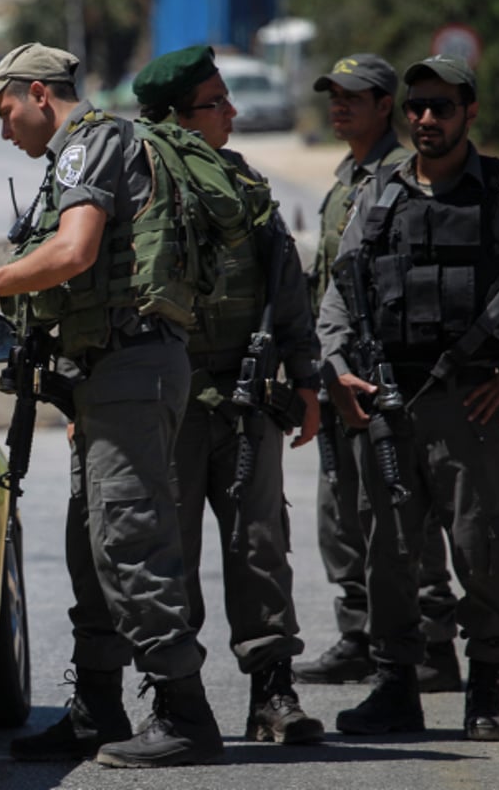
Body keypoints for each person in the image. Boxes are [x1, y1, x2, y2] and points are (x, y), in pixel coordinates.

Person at [0, 42, 224, 769]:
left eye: (4, 110)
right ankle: (98, 705)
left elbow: (73, 253)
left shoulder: (91, 145)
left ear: (39, 93)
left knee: (130, 539)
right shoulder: (74, 154)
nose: (3, 128)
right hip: (104, 374)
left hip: (131, 367)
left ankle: (185, 714)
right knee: (90, 546)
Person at [318, 54, 499, 741]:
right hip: (384, 403)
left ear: (470, 112)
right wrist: (335, 366)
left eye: (442, 106)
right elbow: (338, 288)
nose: (426, 119)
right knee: (386, 553)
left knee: (481, 551)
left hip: (466, 404)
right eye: (416, 107)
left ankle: (487, 693)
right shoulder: (377, 189)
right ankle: (395, 687)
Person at [131, 44, 325, 745]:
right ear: (179, 119)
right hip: (167, 406)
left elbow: (286, 287)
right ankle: (175, 701)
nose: (233, 113)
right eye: (217, 103)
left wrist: (306, 380)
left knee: (260, 546)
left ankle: (273, 694)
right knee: (165, 556)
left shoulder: (243, 188)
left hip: (246, 402)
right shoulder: (136, 191)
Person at [296, 53, 463, 693]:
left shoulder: (402, 176)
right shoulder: (348, 177)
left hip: (388, 376)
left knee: (403, 512)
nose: (340, 106)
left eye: (354, 97)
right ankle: (361, 635)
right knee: (342, 512)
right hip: (340, 370)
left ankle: (432, 642)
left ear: (384, 106)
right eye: (333, 95)